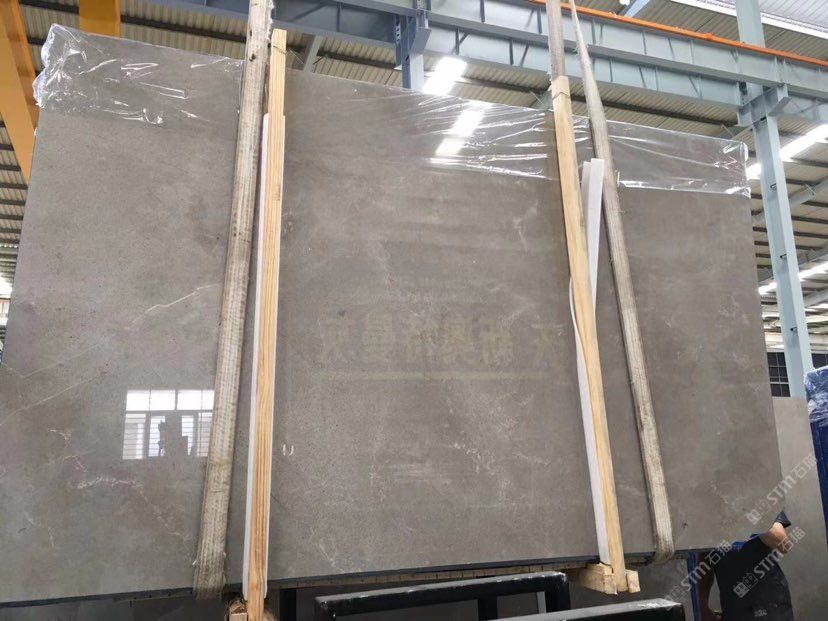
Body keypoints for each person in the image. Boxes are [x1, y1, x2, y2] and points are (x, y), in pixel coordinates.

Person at [697, 512, 795, 621]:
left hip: (769, 603)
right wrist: (702, 607)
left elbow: (783, 544)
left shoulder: (760, 506)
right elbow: (704, 565)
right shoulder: (706, 515)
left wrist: (749, 519)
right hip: (735, 607)